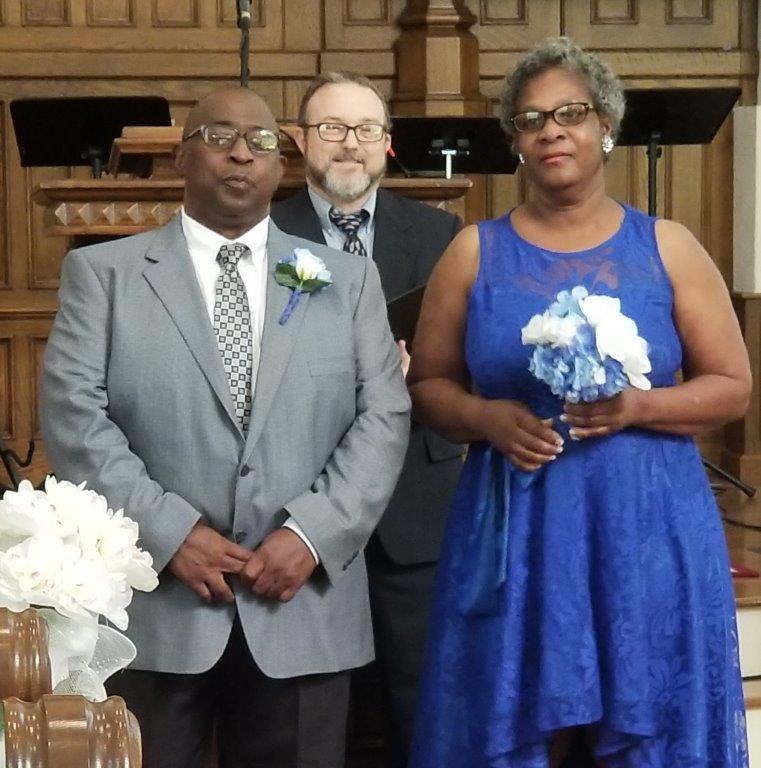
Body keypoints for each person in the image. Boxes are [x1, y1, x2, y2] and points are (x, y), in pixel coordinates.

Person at [40, 86, 411, 768]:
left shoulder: (347, 280)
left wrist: (311, 533)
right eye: (218, 137)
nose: (241, 153)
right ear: (184, 156)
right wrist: (169, 533)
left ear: (282, 166)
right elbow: (74, 420)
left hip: (303, 602)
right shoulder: (104, 275)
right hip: (154, 609)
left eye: (262, 142)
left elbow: (383, 417)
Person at [407, 37, 751, 768]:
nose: (551, 130)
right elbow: (428, 386)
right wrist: (484, 418)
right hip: (518, 524)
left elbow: (731, 385)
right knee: (522, 724)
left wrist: (637, 408)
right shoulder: (474, 251)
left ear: (605, 126)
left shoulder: (668, 247)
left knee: (645, 719)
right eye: (531, 120)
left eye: (570, 112)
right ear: (515, 142)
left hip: (646, 522)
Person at [271, 71, 464, 768]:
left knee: (424, 703)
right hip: (301, 507)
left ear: (387, 144)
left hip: (417, 503)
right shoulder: (265, 234)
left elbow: (470, 359)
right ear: (299, 141)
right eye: (330, 129)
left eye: (364, 130)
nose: (348, 145)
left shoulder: (440, 234)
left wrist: (429, 365)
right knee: (317, 715)